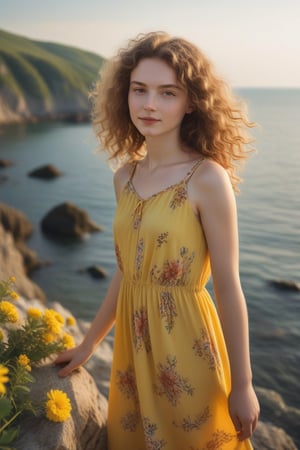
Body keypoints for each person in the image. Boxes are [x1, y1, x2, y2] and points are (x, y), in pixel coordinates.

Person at [55, 31, 260, 450]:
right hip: (133, 350)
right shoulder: (124, 177)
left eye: (168, 93)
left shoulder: (207, 179)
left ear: (191, 103)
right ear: (124, 96)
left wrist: (243, 384)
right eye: (139, 90)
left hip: (188, 344)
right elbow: (127, 271)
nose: (149, 104)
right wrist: (90, 344)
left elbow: (227, 286)